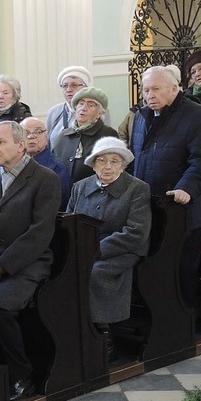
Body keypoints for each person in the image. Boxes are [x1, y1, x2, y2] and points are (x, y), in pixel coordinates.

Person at [0, 121, 60, 401]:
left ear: (20, 145)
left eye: (1, 143)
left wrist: (3, 265)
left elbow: (40, 232)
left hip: (29, 263)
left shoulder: (44, 178)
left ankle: (22, 374)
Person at [130, 65, 201, 309]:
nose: (150, 95)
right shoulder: (141, 116)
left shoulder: (197, 116)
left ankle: (183, 326)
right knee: (153, 268)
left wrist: (185, 189)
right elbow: (136, 158)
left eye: (156, 89)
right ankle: (157, 323)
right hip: (149, 207)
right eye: (146, 90)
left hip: (182, 210)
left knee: (180, 270)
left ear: (174, 88)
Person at [66, 137, 151, 360]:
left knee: (96, 273)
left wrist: (95, 250)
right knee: (63, 272)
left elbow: (136, 232)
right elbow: (68, 222)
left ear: (123, 165)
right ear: (93, 164)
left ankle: (104, 336)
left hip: (123, 249)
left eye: (114, 161)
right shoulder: (80, 187)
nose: (108, 166)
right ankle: (75, 335)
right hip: (84, 249)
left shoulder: (137, 189)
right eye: (101, 160)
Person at [52, 87, 119, 183]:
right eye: (81, 103)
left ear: (99, 113)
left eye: (91, 105)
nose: (83, 108)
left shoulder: (108, 136)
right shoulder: (63, 136)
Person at [21, 117, 73, 210]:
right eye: (25, 132)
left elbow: (59, 206)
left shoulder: (57, 168)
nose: (31, 136)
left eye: (38, 132)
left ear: (47, 135)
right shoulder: (10, 163)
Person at [46, 66, 92, 146]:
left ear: (85, 88)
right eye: (65, 86)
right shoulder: (54, 112)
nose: (68, 90)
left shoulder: (96, 110)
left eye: (74, 85)